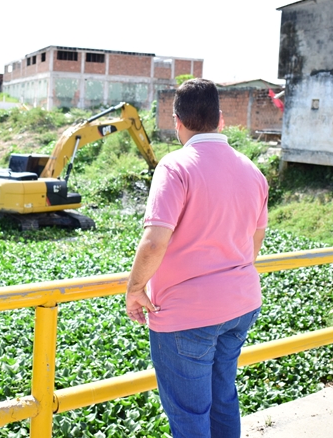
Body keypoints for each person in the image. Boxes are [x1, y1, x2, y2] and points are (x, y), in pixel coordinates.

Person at [125, 78, 268, 438]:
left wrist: (135, 288)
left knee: (190, 415)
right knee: (222, 398)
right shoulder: (252, 170)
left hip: (187, 315)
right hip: (240, 305)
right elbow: (256, 238)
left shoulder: (176, 166)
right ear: (221, 119)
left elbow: (155, 242)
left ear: (177, 121)